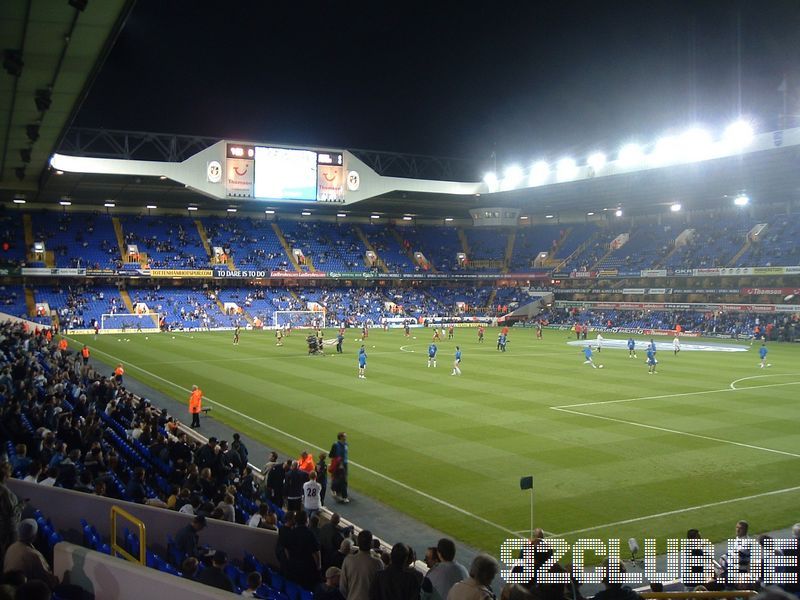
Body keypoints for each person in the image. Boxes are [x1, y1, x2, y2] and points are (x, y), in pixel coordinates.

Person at [3, 519, 59, 588]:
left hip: (8, 588)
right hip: (24, 592)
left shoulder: (12, 547)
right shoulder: (33, 555)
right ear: (34, 536)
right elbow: (48, 580)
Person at [340, 529, 383, 600]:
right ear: (371, 544)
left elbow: (342, 587)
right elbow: (379, 588)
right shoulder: (378, 563)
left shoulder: (348, 560)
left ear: (357, 542)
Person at [286, 510, 321, 590]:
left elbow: (287, 550)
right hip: (307, 569)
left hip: (294, 567)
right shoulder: (310, 534)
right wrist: (318, 567)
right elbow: (316, 552)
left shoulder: (291, 533)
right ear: (306, 520)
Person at [0, 462, 23, 559]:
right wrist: (21, 506)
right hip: (5, 532)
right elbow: (13, 515)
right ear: (6, 476)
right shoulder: (8, 495)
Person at [329, 432, 349, 503]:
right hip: (338, 465)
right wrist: (337, 462)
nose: (346, 437)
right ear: (341, 437)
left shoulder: (346, 444)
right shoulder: (335, 445)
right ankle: (343, 495)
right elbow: (331, 455)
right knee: (340, 479)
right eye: (345, 436)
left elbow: (345, 454)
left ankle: (339, 491)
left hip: (345, 464)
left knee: (344, 479)